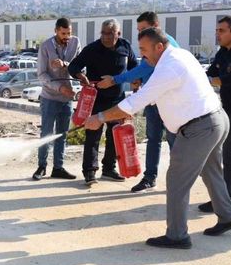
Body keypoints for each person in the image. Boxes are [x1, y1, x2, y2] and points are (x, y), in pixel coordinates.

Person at [85, 27, 231, 249]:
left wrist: (99, 117)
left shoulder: (168, 67)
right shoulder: (179, 55)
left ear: (159, 46)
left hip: (200, 128)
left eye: (145, 50)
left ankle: (177, 235)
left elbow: (133, 104)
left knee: (176, 179)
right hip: (215, 120)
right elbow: (159, 94)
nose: (142, 56)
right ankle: (228, 215)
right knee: (212, 170)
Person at [97, 12, 180, 193]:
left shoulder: (166, 46)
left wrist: (115, 79)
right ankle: (150, 178)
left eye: (144, 29)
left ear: (156, 26)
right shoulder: (154, 46)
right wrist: (140, 81)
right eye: (139, 30)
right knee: (154, 140)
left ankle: (178, 180)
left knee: (174, 141)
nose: (140, 34)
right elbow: (146, 70)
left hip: (167, 103)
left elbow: (145, 67)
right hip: (153, 102)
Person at [68, 19, 138, 185]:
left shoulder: (125, 46)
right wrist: (80, 76)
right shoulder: (92, 49)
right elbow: (73, 66)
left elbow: (134, 66)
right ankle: (90, 172)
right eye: (103, 33)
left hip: (117, 100)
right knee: (93, 136)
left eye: (110, 34)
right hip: (96, 100)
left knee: (115, 135)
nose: (105, 37)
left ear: (118, 34)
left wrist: (136, 81)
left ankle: (109, 168)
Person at [32, 17, 81, 180]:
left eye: (69, 33)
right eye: (63, 33)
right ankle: (41, 167)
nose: (67, 36)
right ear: (56, 31)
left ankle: (58, 168)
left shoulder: (75, 43)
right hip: (49, 97)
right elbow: (42, 75)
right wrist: (59, 87)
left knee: (62, 134)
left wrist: (65, 64)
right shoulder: (45, 46)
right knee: (46, 133)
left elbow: (79, 66)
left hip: (67, 98)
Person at [199, 16, 231, 212]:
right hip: (228, 108)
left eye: (222, 31)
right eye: (217, 30)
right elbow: (211, 72)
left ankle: (223, 200)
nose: (218, 34)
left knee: (229, 154)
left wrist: (219, 81)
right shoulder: (222, 53)